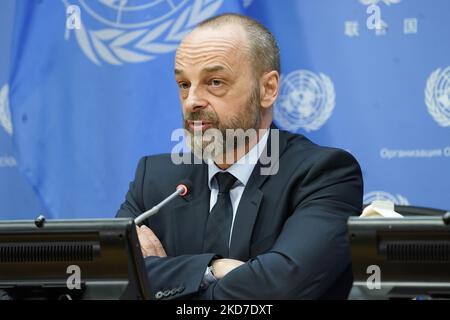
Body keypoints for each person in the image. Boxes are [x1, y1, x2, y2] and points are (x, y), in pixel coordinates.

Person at [116, 13, 363, 300]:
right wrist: (213, 268)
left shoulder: (323, 173)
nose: (193, 100)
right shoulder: (155, 179)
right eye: (184, 84)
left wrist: (170, 285)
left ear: (267, 89)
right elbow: (114, 280)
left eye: (215, 82)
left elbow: (280, 289)